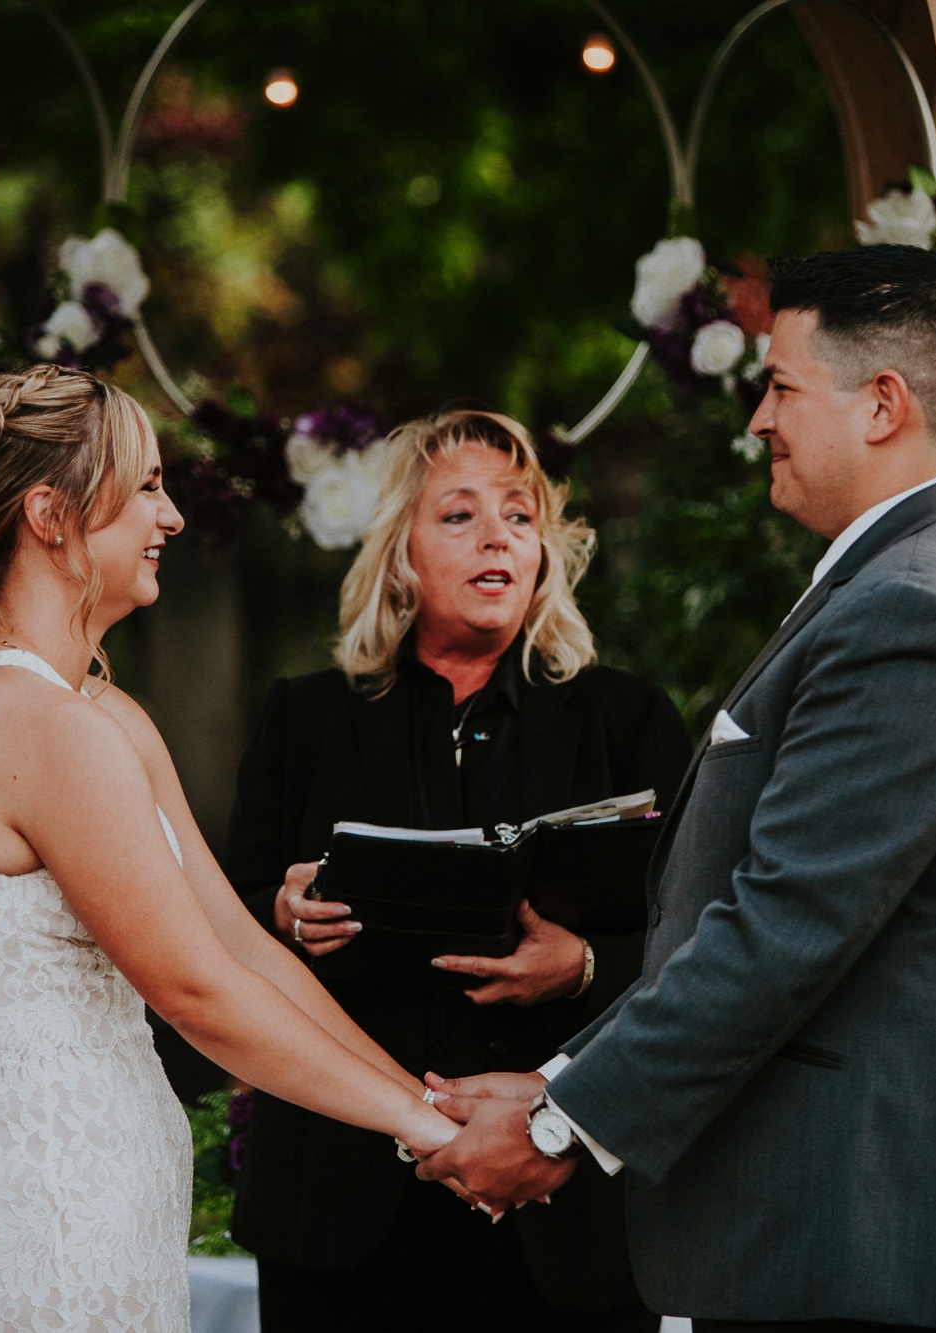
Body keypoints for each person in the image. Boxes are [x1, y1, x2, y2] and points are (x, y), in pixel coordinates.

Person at [419, 245, 936, 1333]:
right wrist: (557, 1082)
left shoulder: (913, 616)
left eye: (778, 386)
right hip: (840, 1229)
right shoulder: (924, 580)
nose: (756, 420)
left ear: (881, 405)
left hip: (859, 1231)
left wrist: (557, 1125)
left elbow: (783, 926)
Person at [0, 366, 461, 1333]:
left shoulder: (94, 713)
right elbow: (197, 995)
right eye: (145, 485)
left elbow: (241, 946)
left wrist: (418, 1093)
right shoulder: (41, 730)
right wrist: (430, 1134)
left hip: (104, 1219)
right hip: (50, 1237)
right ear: (51, 515)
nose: (174, 516)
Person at [221, 409, 691, 1332]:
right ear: (400, 552)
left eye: (520, 517)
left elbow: (703, 944)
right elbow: (217, 925)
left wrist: (587, 963)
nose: (497, 538)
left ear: (546, 553)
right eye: (459, 515)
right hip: (344, 1205)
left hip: (560, 1208)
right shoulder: (306, 719)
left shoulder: (627, 720)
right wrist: (280, 912)